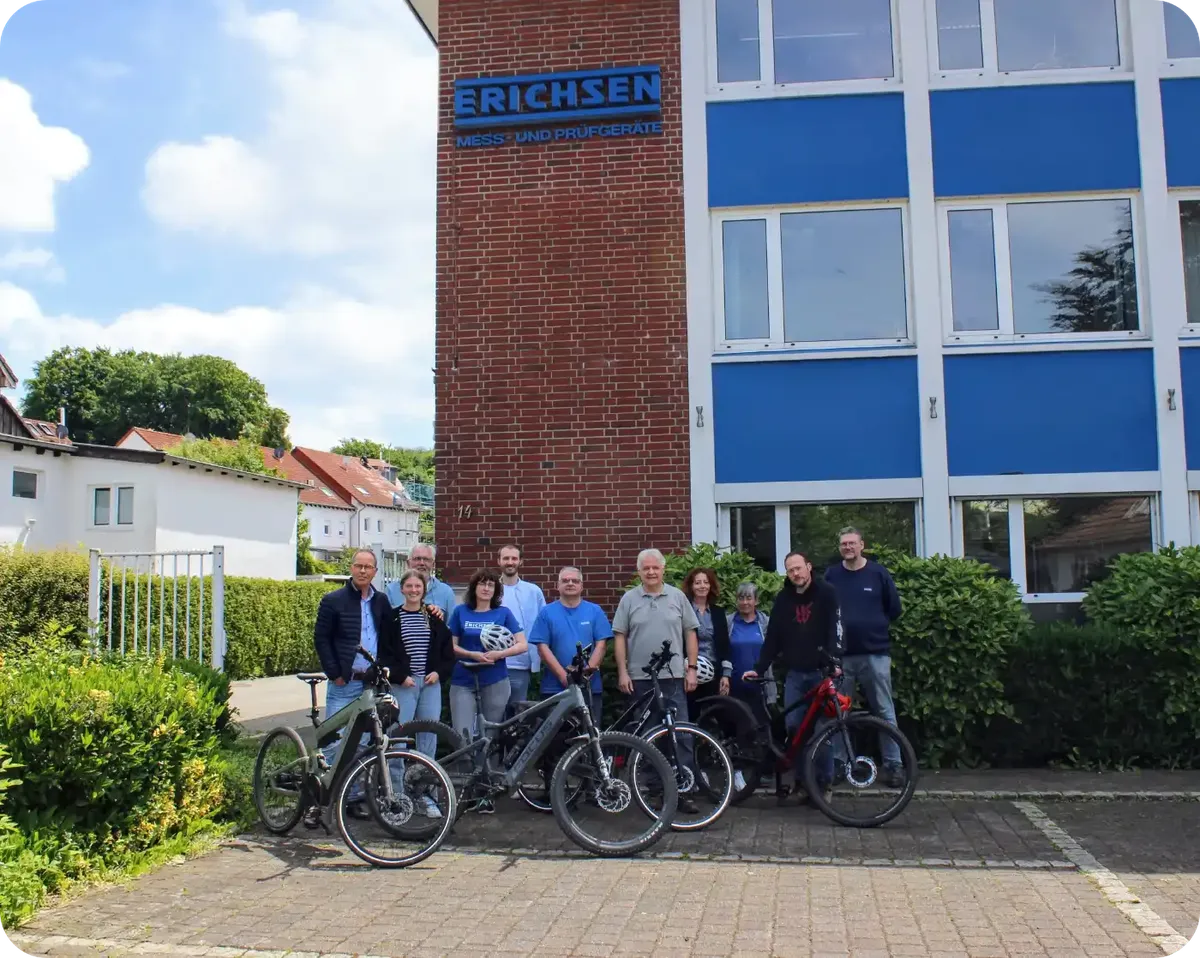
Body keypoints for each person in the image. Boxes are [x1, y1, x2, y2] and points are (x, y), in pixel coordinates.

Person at [743, 551, 842, 806]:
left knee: (824, 731)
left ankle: (824, 784)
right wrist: (760, 666)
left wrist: (834, 662)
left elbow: (834, 629)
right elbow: (773, 636)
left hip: (822, 673)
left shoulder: (827, 593)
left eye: (799, 568)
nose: (795, 574)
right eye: (790, 570)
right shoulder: (784, 599)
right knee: (795, 730)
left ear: (809, 567)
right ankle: (801, 783)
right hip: (795, 674)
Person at [312, 548, 407, 813]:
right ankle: (321, 800)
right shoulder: (334, 600)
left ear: (375, 571)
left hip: (370, 684)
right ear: (351, 569)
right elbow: (322, 639)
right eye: (358, 566)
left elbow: (389, 637)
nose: (363, 571)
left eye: (368, 567)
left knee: (363, 743)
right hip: (345, 683)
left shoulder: (382, 601)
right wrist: (335, 673)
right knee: (336, 743)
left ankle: (351, 800)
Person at [612, 548, 700, 812]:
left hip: (673, 677)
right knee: (648, 735)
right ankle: (651, 790)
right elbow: (619, 636)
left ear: (663, 570)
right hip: (640, 679)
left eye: (655, 568)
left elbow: (690, 634)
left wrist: (692, 668)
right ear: (639, 572)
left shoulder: (677, 597)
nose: (651, 572)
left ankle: (682, 790)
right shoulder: (629, 599)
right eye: (646, 568)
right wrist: (622, 671)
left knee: (680, 734)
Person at [824, 526, 904, 787]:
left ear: (862, 545)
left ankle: (894, 766)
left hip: (875, 655)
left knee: (884, 711)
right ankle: (838, 764)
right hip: (842, 658)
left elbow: (894, 609)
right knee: (838, 713)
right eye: (843, 544)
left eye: (852, 543)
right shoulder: (832, 575)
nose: (848, 547)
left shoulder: (878, 573)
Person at [447, 570, 527, 813]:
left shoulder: (503, 613)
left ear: (496, 590)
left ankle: (486, 794)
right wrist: (472, 654)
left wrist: (499, 654)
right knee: (463, 736)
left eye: (491, 585)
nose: (486, 589)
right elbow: (451, 645)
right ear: (474, 588)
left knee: (490, 736)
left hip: (495, 679)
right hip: (463, 679)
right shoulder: (461, 612)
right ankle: (466, 790)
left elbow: (522, 644)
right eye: (482, 584)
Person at [389, 569, 455, 818]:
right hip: (403, 686)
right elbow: (385, 654)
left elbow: (448, 654)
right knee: (396, 739)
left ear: (424, 590)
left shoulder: (434, 618)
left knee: (428, 740)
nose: (414, 590)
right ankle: (396, 798)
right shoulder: (392, 619)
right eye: (410, 586)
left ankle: (426, 796)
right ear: (402, 589)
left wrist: (438, 672)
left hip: (429, 686)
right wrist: (399, 676)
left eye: (418, 587)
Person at [528, 566, 610, 725]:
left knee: (590, 735)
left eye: (575, 581)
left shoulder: (595, 611)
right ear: (557, 586)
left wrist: (587, 673)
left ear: (582, 586)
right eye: (565, 580)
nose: (570, 583)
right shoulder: (547, 612)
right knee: (555, 739)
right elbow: (542, 648)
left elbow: (601, 644)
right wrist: (563, 677)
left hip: (589, 688)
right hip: (555, 688)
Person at [496, 544, 547, 708]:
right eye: (506, 558)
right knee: (494, 712)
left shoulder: (533, 591)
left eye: (514, 558)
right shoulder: (489, 590)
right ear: (499, 561)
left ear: (520, 561)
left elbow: (543, 625)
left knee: (518, 714)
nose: (510, 562)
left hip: (521, 663)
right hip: (493, 663)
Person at [681, 566, 730, 706]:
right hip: (689, 672)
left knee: (715, 715)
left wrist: (725, 675)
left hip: (714, 673)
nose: (702, 586)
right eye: (697, 582)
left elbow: (725, 647)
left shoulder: (719, 613)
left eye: (706, 582)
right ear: (691, 586)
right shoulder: (684, 611)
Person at [389, 543, 456, 615]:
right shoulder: (391, 590)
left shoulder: (446, 592)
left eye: (426, 559)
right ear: (408, 563)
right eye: (417, 559)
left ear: (433, 564)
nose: (422, 563)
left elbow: (451, 625)